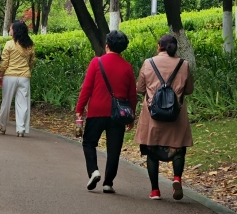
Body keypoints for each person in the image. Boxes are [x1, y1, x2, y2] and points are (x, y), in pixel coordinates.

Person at [75, 30, 137, 193]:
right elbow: (132, 95)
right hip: (118, 114)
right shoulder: (127, 67)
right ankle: (108, 183)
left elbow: (87, 88)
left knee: (89, 142)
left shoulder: (97, 62)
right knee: (114, 149)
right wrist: (131, 116)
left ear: (107, 45)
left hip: (96, 111)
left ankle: (94, 171)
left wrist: (79, 109)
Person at [135, 33, 194, 200]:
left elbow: (140, 88)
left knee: (152, 152)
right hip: (176, 115)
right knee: (178, 149)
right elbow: (189, 90)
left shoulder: (148, 63)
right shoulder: (184, 64)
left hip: (152, 115)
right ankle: (177, 178)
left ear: (159, 46)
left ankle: (155, 190)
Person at [0, 20, 35, 137]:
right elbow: (32, 62)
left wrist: (0, 74)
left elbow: (4, 62)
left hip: (10, 76)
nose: (10, 30)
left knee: (6, 102)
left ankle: (2, 125)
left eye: (11, 29)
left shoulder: (9, 44)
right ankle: (21, 129)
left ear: (15, 31)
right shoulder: (30, 45)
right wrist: (26, 69)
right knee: (23, 104)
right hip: (24, 77)